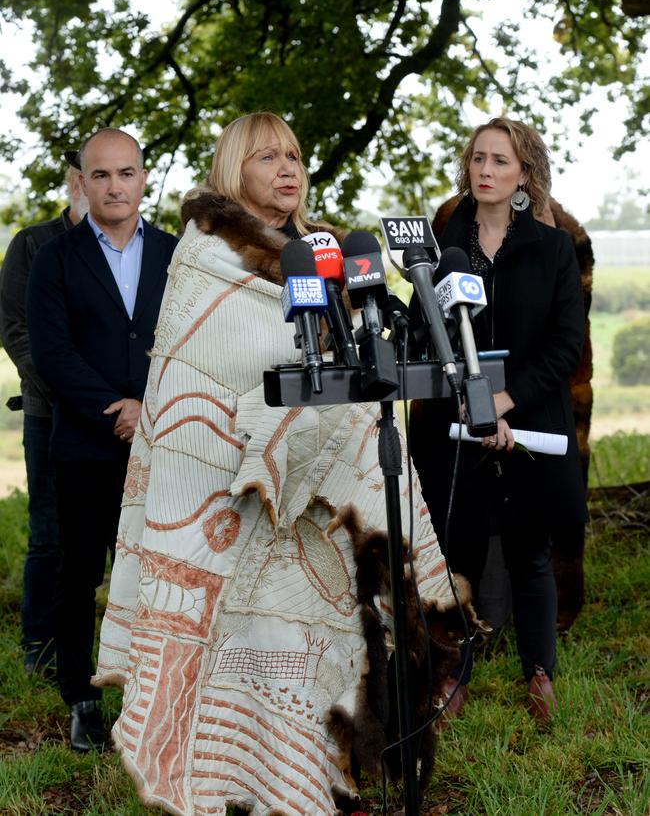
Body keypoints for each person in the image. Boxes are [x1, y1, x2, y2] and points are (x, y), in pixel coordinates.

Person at [93, 112, 471, 816]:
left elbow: (355, 361)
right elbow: (205, 370)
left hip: (322, 499)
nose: (287, 168)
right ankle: (245, 785)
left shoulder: (322, 251)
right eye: (268, 156)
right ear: (236, 167)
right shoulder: (205, 257)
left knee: (328, 637)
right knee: (257, 642)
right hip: (230, 492)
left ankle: (326, 779)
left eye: (294, 154)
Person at [409, 117, 588, 728]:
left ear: (523, 175)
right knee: (454, 556)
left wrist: (505, 404)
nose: (484, 170)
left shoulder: (553, 248)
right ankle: (452, 673)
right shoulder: (437, 251)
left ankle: (539, 673)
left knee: (529, 554)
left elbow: (565, 348)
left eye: (499, 161)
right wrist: (467, 404)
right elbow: (421, 337)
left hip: (531, 422)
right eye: (477, 159)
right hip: (452, 431)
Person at [26, 128, 178, 752]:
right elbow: (51, 353)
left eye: (127, 173)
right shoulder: (54, 258)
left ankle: (151, 695)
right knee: (80, 570)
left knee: (158, 575)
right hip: (87, 444)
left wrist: (154, 408)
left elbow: (192, 341)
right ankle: (81, 699)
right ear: (82, 182)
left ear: (144, 178)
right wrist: (114, 410)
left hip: (168, 441)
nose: (115, 186)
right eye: (101, 175)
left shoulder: (177, 254)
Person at [0, 161, 88, 677]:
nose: (96, 185)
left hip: (120, 417)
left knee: (123, 535)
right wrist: (74, 392)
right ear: (73, 180)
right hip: (48, 414)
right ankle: (39, 646)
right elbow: (16, 329)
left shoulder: (136, 250)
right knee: (50, 534)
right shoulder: (32, 245)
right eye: (86, 174)